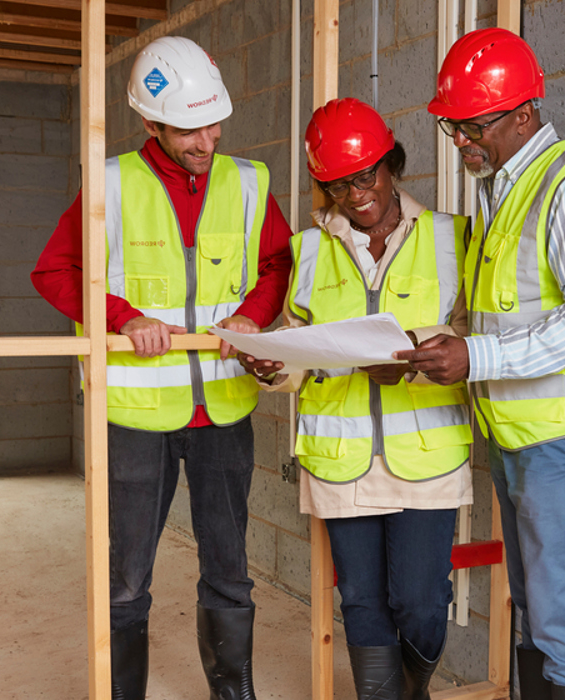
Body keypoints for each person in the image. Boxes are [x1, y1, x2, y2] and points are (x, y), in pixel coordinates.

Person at [30, 36, 292, 700]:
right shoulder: (113, 184)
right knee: (127, 579)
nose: (206, 139)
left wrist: (252, 318)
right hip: (135, 416)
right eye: (188, 129)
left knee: (231, 572)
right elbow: (54, 270)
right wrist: (121, 317)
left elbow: (278, 267)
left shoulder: (249, 182)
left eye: (213, 123)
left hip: (224, 411)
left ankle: (236, 694)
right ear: (150, 124)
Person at [398, 28, 565, 700]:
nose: (460, 143)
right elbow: (501, 313)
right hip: (524, 436)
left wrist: (475, 355)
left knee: (561, 618)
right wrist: (428, 346)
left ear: (523, 115)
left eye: (471, 127)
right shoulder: (504, 189)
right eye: (454, 129)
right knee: (536, 613)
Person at [236, 98, 472, 700]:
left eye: (366, 175)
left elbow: (479, 344)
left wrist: (416, 362)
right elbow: (299, 354)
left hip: (426, 458)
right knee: (362, 601)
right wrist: (271, 365)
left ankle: (410, 690)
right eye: (338, 184)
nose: (356, 193)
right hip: (341, 463)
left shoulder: (451, 238)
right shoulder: (308, 250)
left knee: (420, 600)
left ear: (391, 164)